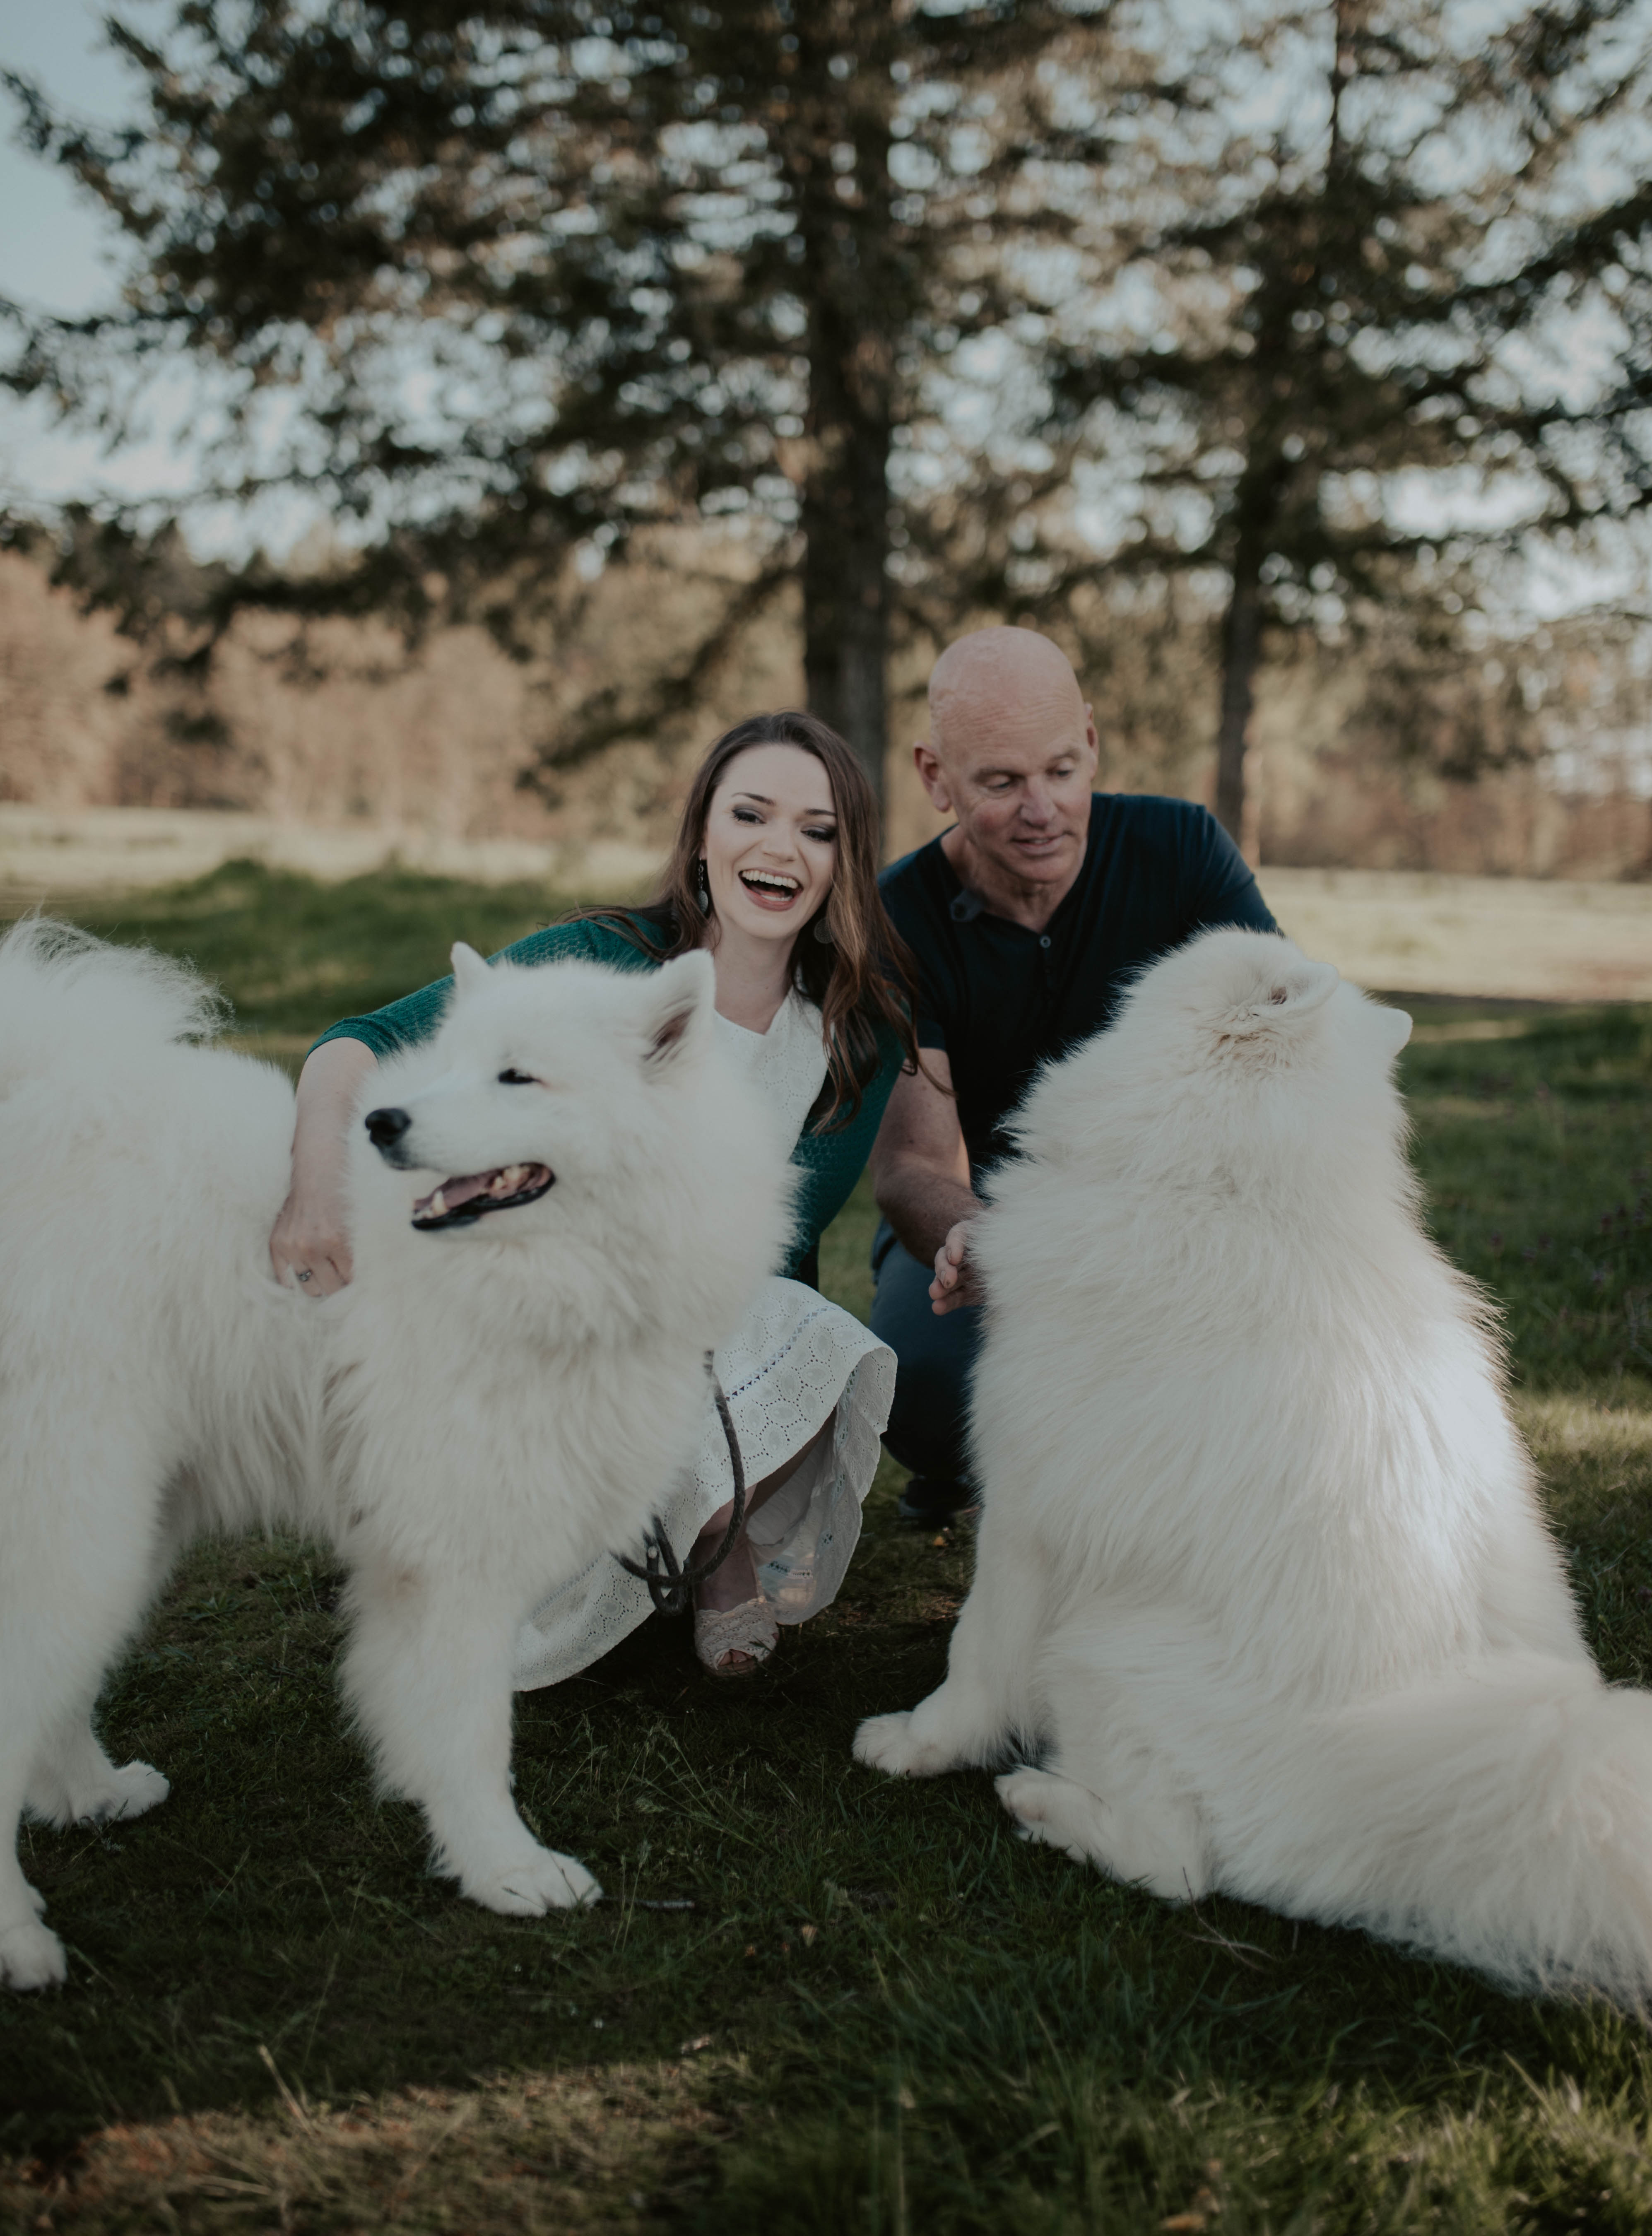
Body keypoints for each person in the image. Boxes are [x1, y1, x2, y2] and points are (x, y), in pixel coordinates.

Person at [272, 711, 926, 1679]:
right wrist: (314, 1194)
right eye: (751, 813)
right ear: (704, 830)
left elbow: (773, 1251)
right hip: (544, 1317)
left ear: (843, 859)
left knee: (818, 1339)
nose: (780, 848)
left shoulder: (853, 1034)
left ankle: (708, 1542)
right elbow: (355, 1039)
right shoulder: (602, 963)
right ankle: (600, 1551)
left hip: (701, 1320)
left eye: (818, 829)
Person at [868, 628, 1279, 1530]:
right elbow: (911, 1167)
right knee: (918, 1377)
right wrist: (1026, 1253)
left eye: (1060, 768)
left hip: (1175, 1212)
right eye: (1000, 782)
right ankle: (972, 1467)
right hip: (997, 1223)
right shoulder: (897, 916)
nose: (1041, 808)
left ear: (1091, 741)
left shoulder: (1182, 848)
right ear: (936, 777)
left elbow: (1283, 1049)